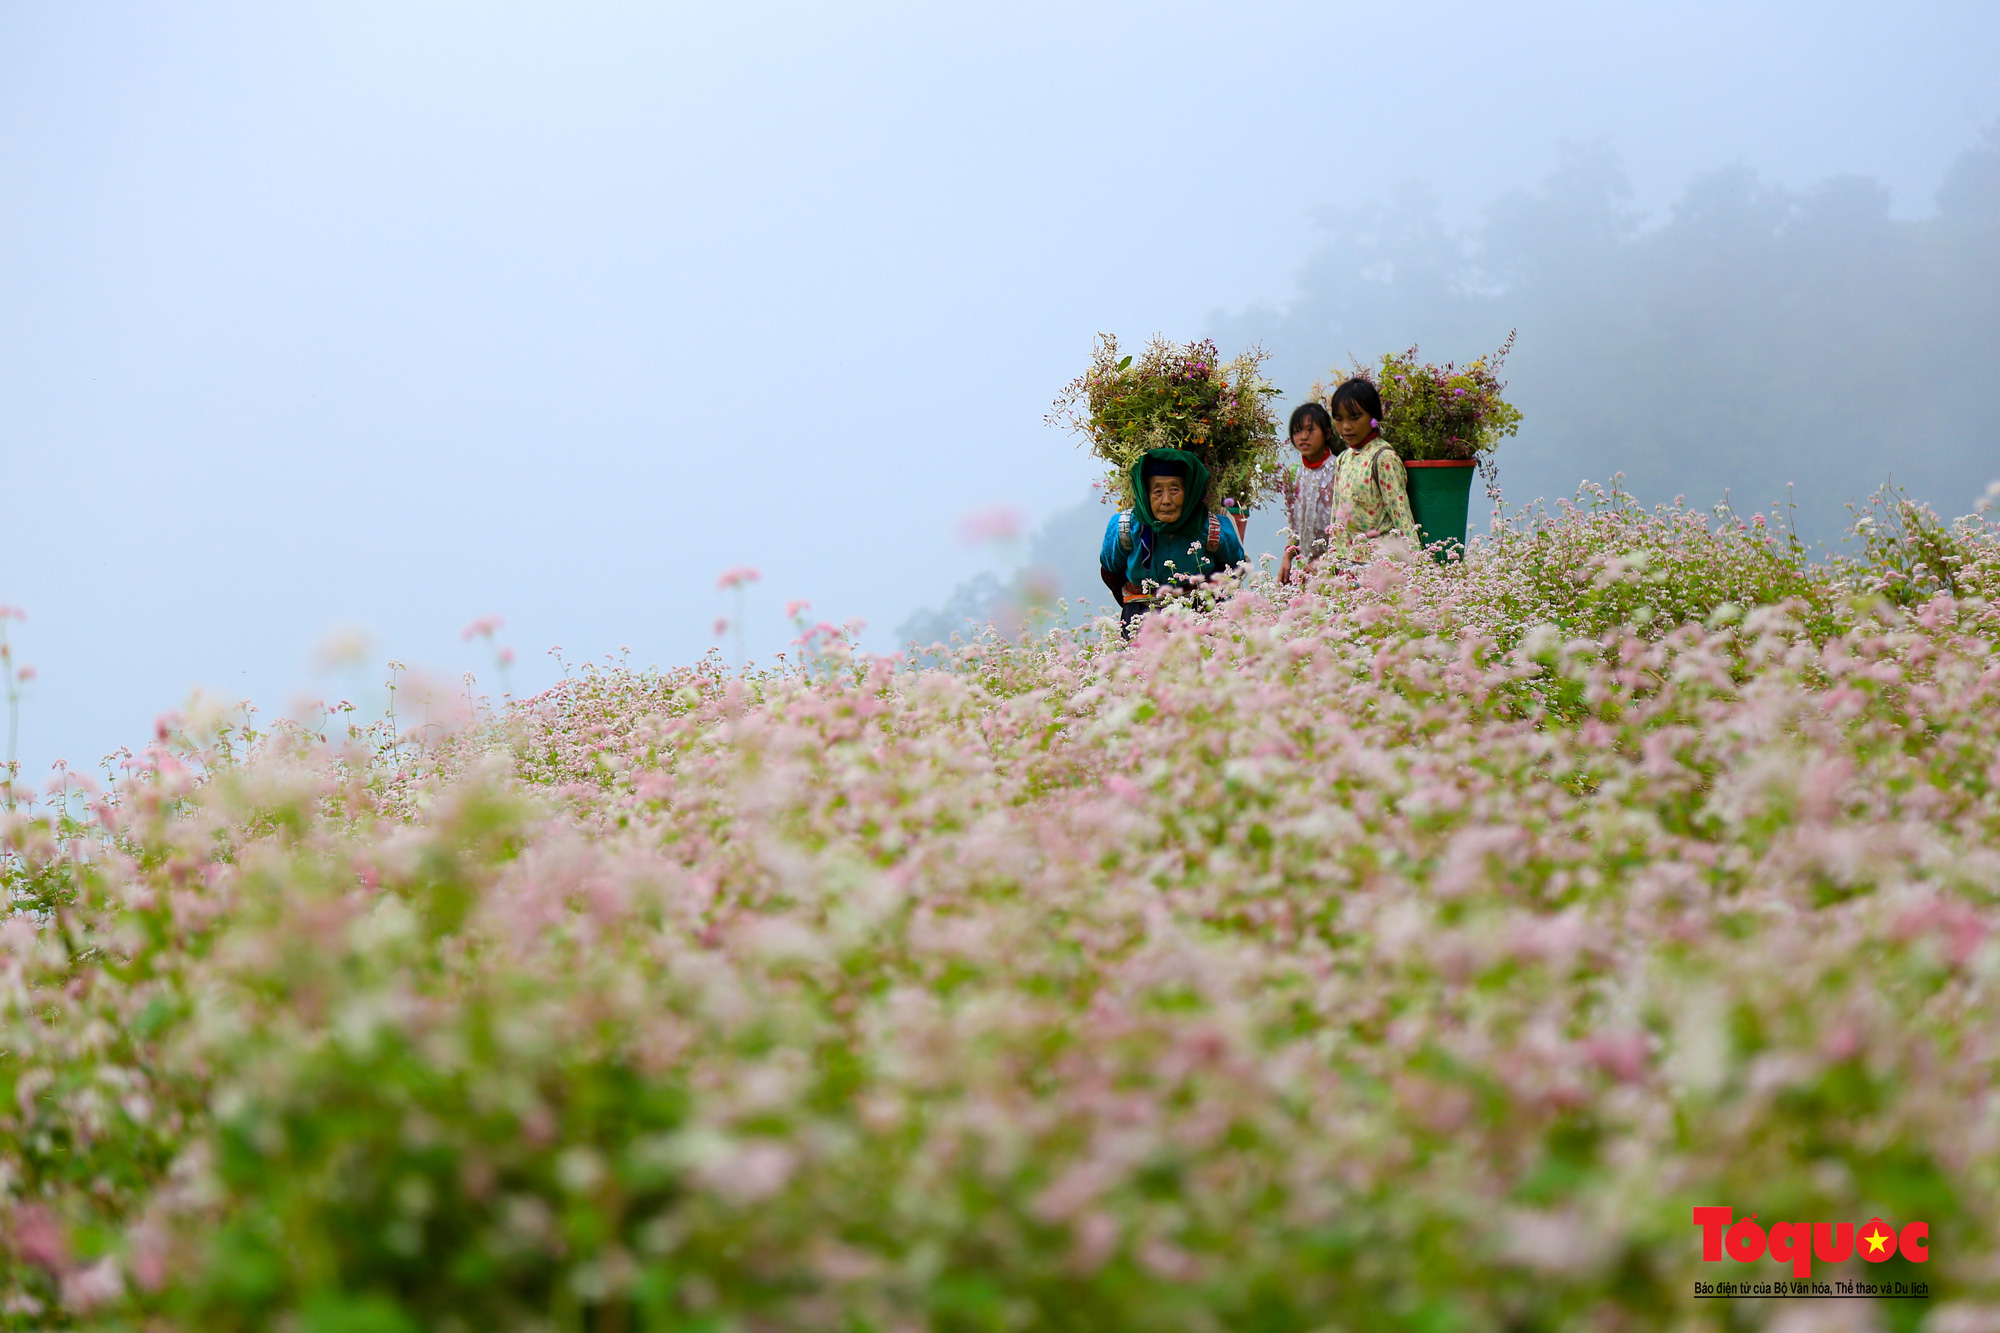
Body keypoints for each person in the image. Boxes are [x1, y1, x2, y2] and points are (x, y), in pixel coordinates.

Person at [1099, 448, 1247, 634]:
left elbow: (1235, 565)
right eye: (1158, 491)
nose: (1166, 500)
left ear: (1190, 491)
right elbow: (1110, 570)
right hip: (1141, 618)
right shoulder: (1126, 527)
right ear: (1145, 493)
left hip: (1199, 617)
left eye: (1175, 490)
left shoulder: (1212, 528)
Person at [1328, 377, 1419, 550]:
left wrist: (1417, 567)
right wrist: (1332, 561)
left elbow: (1402, 517)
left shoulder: (1383, 458)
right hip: (1347, 565)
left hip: (1379, 564)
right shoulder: (1343, 459)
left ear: (1373, 417)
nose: (1346, 426)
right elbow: (1336, 518)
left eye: (1355, 418)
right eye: (1339, 419)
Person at [1278, 400, 1342, 584]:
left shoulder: (1340, 469)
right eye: (1297, 431)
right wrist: (1287, 557)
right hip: (1307, 570)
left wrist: (1323, 562)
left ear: (1327, 433)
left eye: (1310, 430)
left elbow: (1349, 527)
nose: (1303, 437)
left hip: (1340, 566)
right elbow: (1294, 525)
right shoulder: (1292, 473)